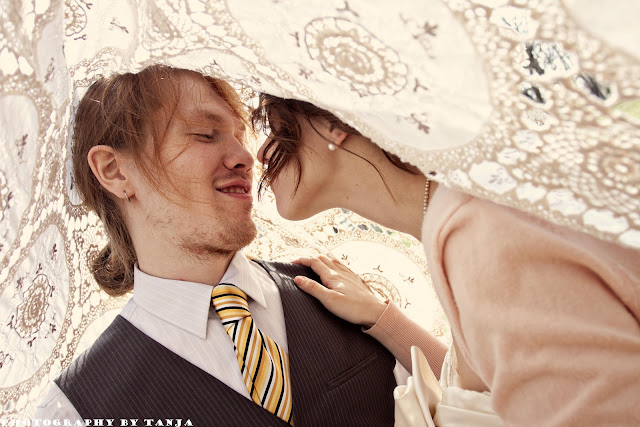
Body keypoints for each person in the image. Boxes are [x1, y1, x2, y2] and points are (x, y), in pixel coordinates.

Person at [34, 65, 399, 426]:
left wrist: (388, 322)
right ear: (113, 170)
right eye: (206, 134)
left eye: (241, 136)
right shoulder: (74, 411)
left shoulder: (341, 293)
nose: (247, 158)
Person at [251, 94, 640, 426]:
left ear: (336, 119)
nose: (261, 152)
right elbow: (491, 393)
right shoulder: (466, 218)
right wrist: (382, 319)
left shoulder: (483, 236)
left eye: (275, 126)